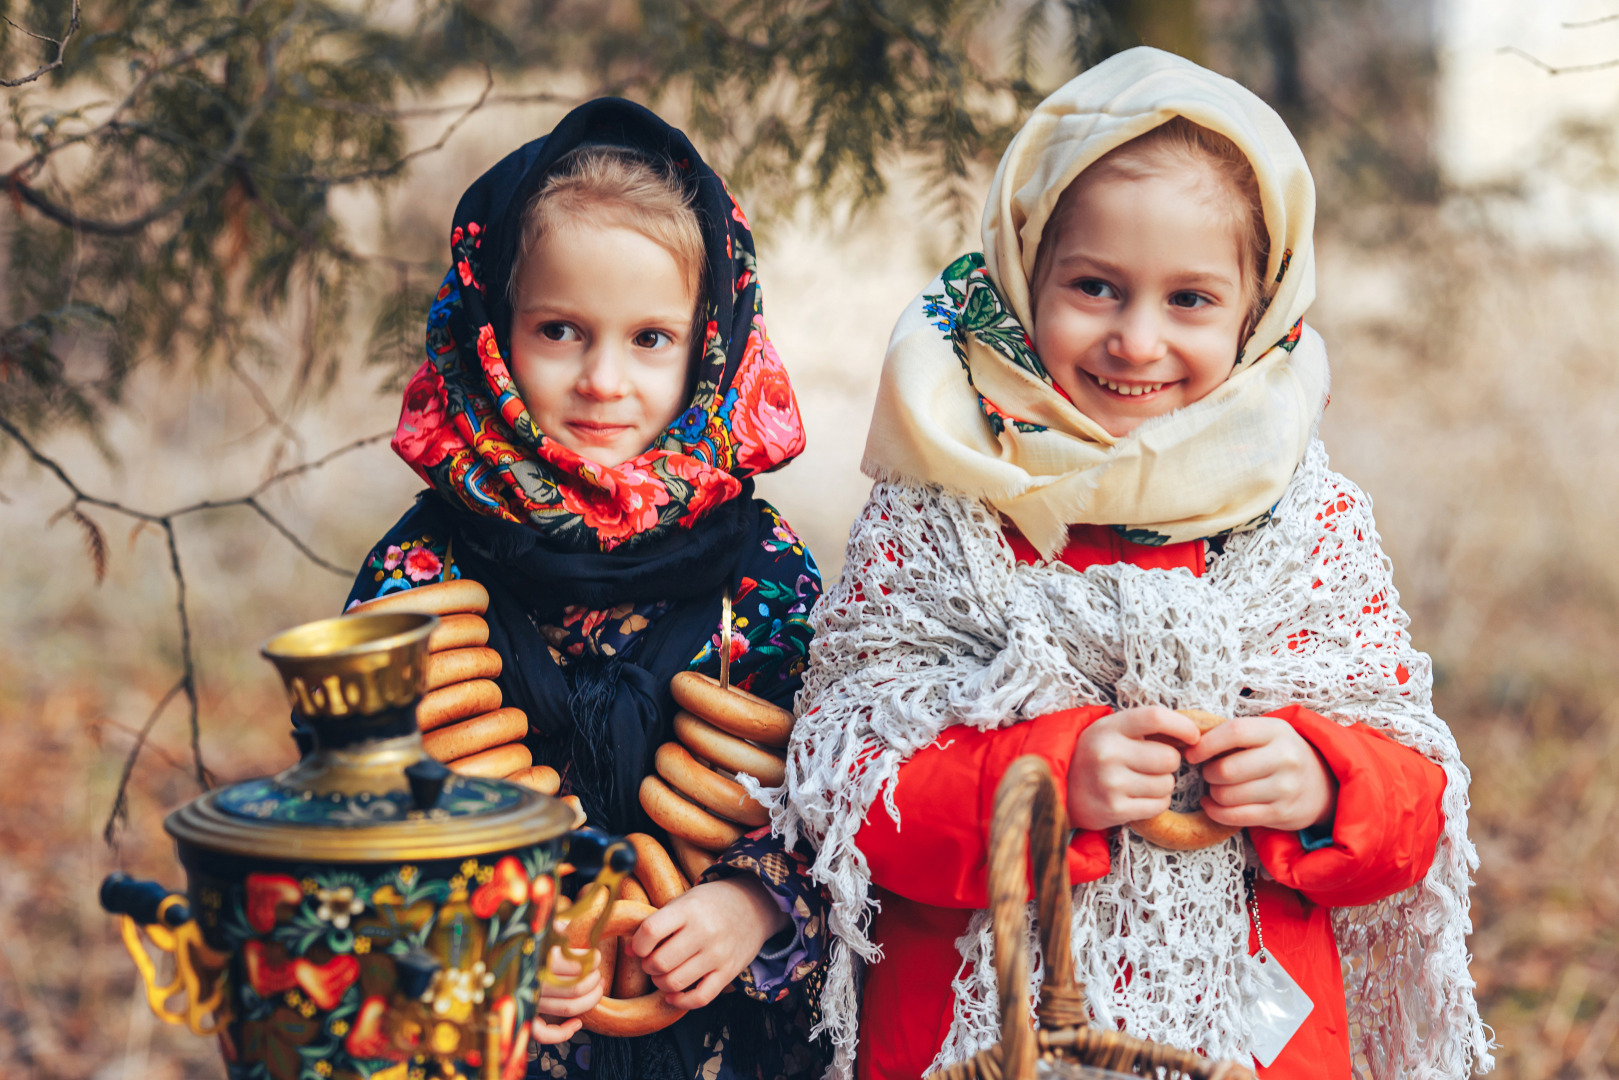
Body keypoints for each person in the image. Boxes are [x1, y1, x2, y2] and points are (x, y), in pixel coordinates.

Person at [771, 48, 1492, 1080]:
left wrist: (1327, 784)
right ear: (1026, 275)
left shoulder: (1302, 519)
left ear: (1257, 306)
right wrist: (1045, 779)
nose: (1135, 340)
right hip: (977, 1038)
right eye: (1095, 288)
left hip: (1251, 1041)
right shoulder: (944, 502)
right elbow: (843, 785)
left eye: (1189, 299)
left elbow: (1414, 797)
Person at [346, 98, 826, 1080]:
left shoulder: (764, 568)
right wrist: (485, 934)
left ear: (711, 340)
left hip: (722, 1044)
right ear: (491, 330)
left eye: (650, 338)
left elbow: (844, 778)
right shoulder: (421, 573)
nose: (604, 379)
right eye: (561, 330)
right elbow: (344, 803)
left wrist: (754, 903)